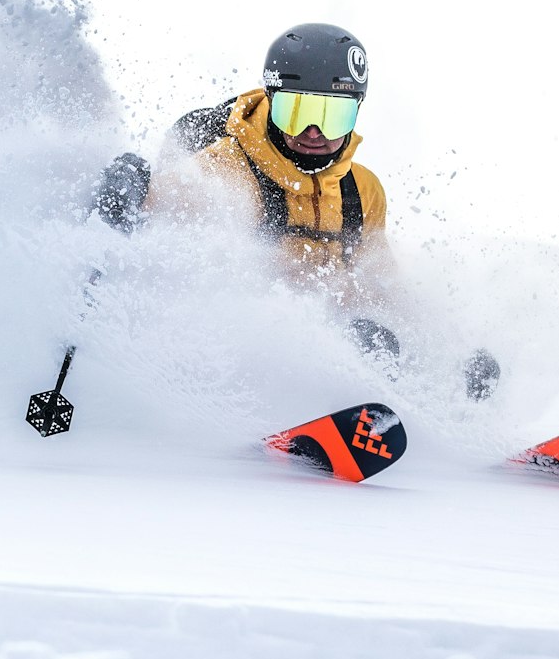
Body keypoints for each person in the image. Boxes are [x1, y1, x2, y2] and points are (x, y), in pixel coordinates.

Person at [91, 22, 499, 400]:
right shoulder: (226, 170)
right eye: (297, 112)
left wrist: (449, 347)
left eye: (333, 114)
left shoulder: (363, 191)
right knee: (361, 341)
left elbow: (381, 283)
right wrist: (132, 187)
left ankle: (442, 407)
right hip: (243, 347)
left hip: (337, 331)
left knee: (376, 340)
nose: (314, 133)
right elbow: (161, 214)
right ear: (271, 102)